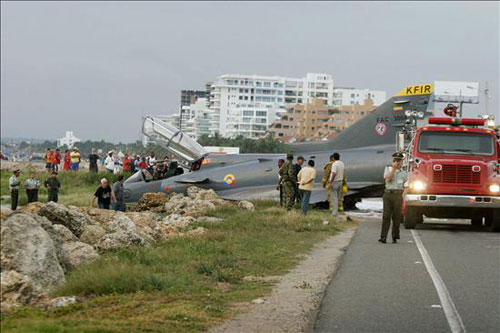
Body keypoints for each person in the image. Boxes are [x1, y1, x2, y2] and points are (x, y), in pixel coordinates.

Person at [379, 152, 408, 244]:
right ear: (393, 161)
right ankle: (383, 237)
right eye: (396, 160)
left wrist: (402, 197)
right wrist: (393, 170)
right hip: (388, 194)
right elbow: (388, 179)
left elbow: (407, 186)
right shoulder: (388, 169)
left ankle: (395, 236)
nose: (398, 162)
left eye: (400, 161)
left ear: (402, 162)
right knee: (386, 216)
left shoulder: (404, 173)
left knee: (396, 217)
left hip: (398, 195)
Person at [327, 153, 345, 217]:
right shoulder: (342, 163)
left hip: (335, 182)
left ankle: (334, 213)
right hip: (340, 181)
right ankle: (337, 211)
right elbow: (343, 173)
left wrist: (330, 183)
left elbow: (333, 173)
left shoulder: (335, 164)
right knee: (338, 197)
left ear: (333, 158)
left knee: (334, 198)